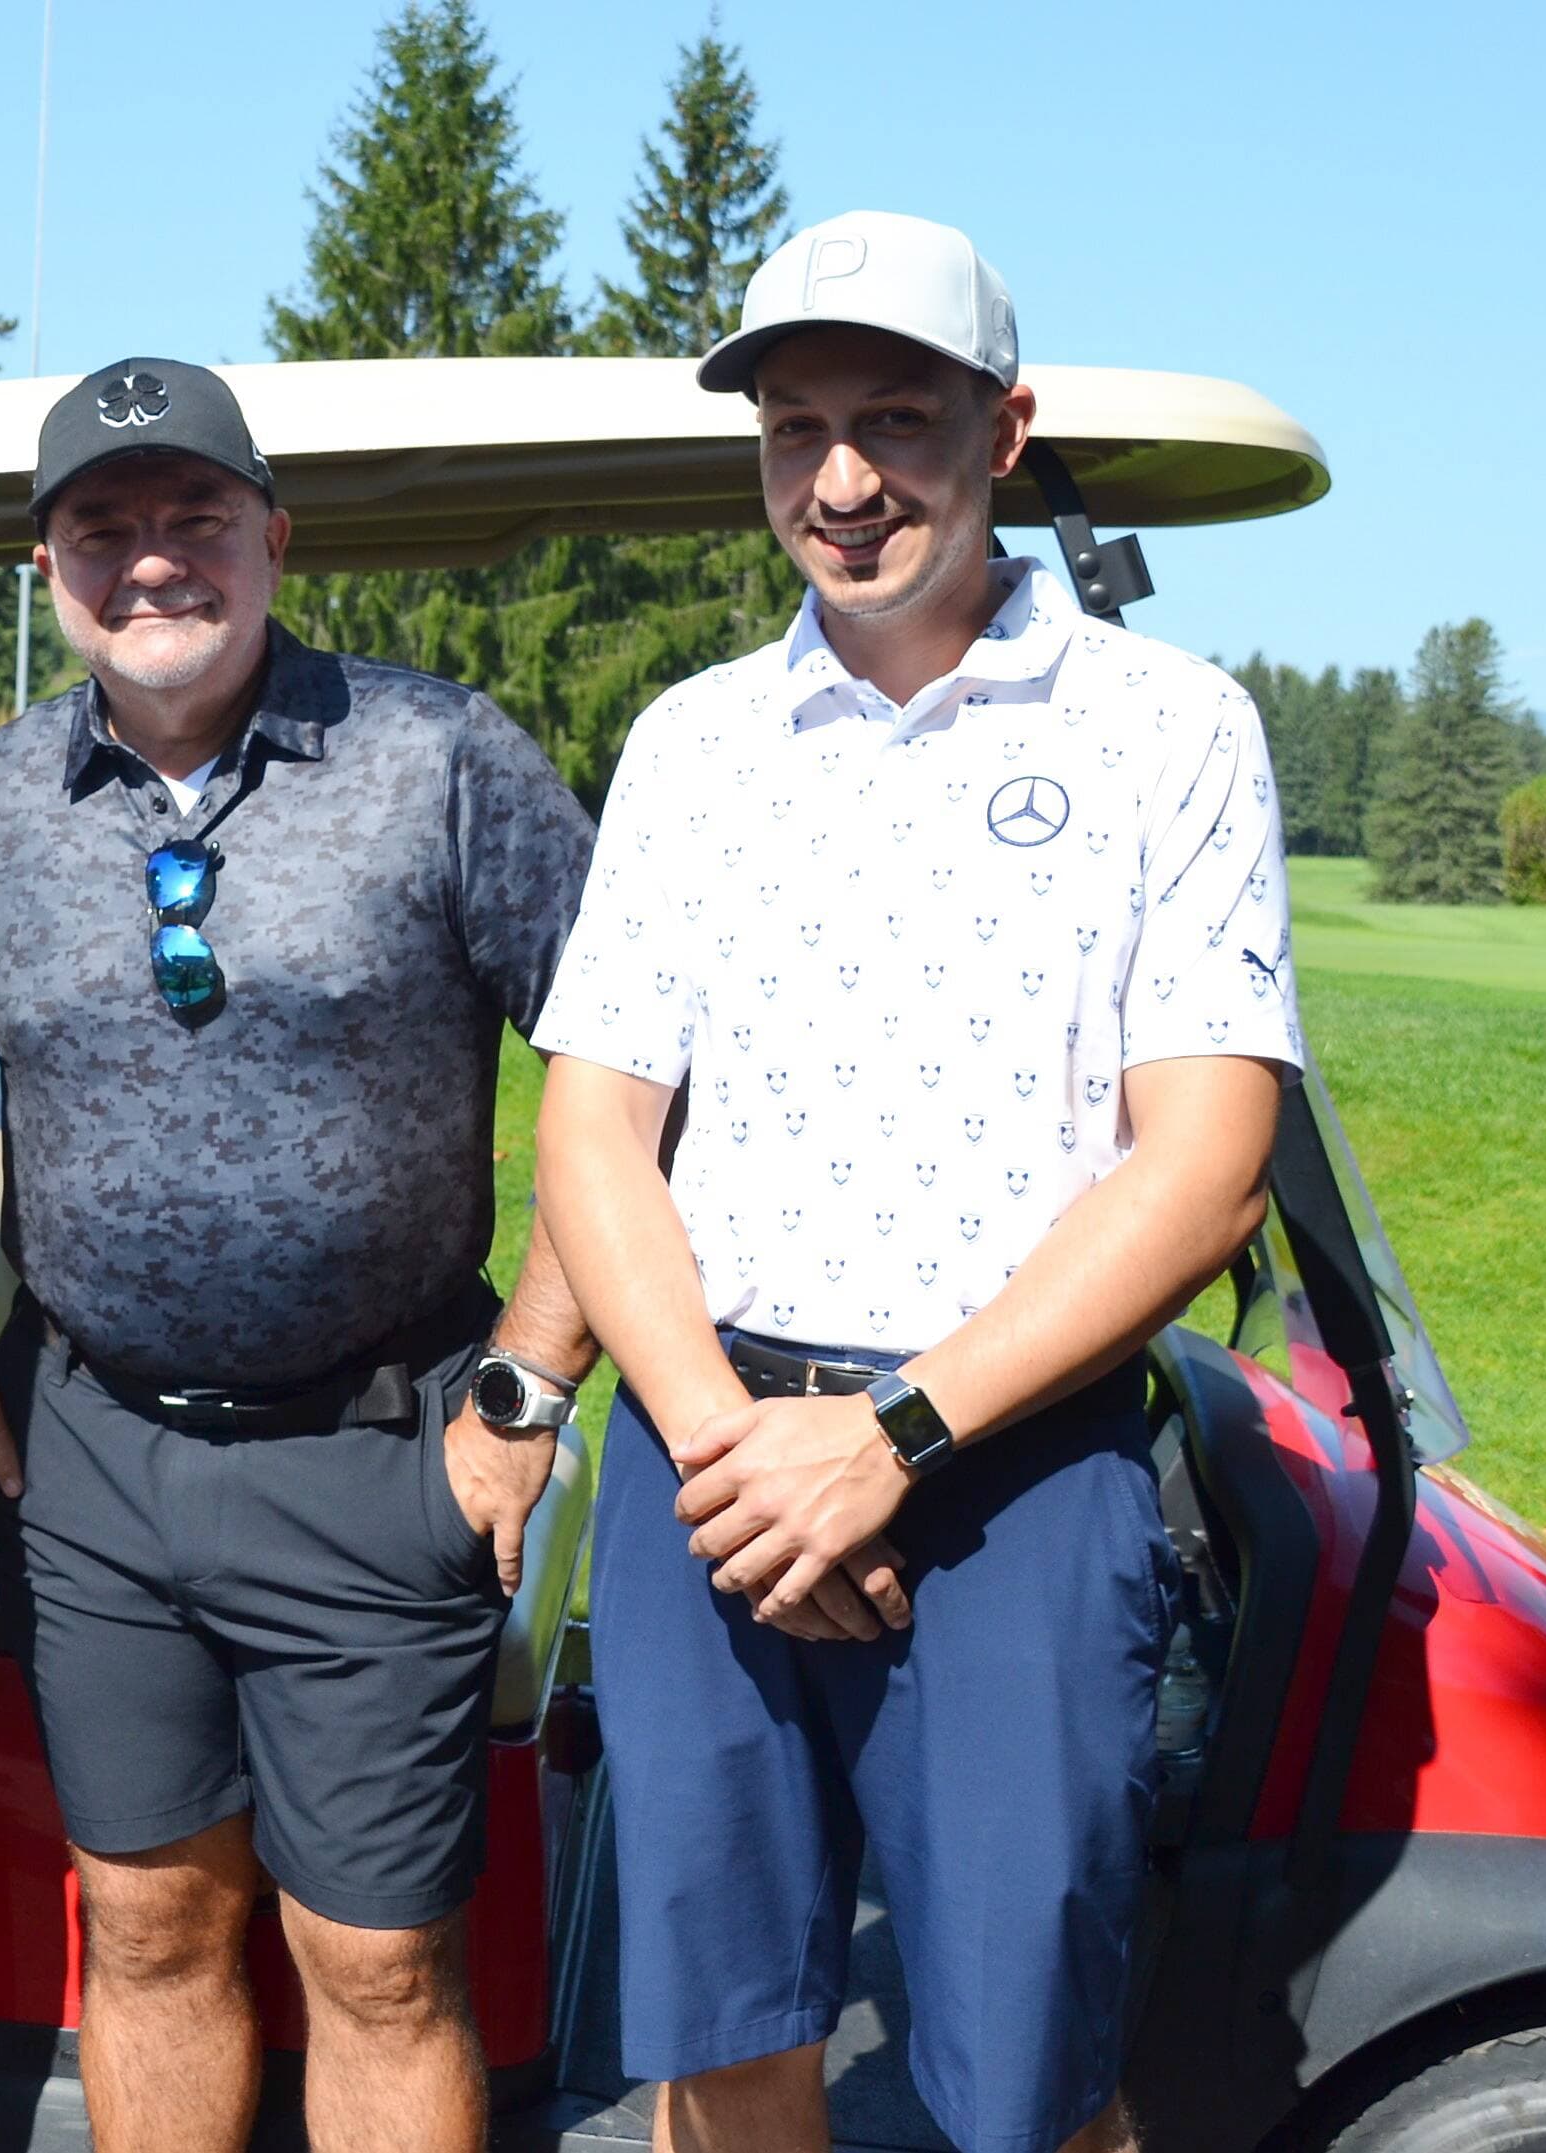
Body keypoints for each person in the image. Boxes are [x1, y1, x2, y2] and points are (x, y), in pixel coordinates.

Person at [531, 211, 1302, 2153]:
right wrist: (730, 1448)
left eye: (895, 419)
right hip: (708, 1468)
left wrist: (885, 1439)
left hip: (1010, 1469)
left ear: (1005, 427)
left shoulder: (1166, 730)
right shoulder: (691, 743)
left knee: (1028, 2075)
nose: (843, 480)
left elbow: (1206, 1165)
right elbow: (591, 1131)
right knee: (720, 2045)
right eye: (796, 429)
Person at [0, 357, 602, 2153]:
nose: (151, 562)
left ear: (273, 538)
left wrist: (526, 1387)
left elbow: (626, 1075)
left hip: (382, 1448)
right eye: (103, 529)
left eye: (193, 519)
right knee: (144, 1922)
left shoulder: (438, 760)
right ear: (48, 566)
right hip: (97, 1457)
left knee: (373, 1958)